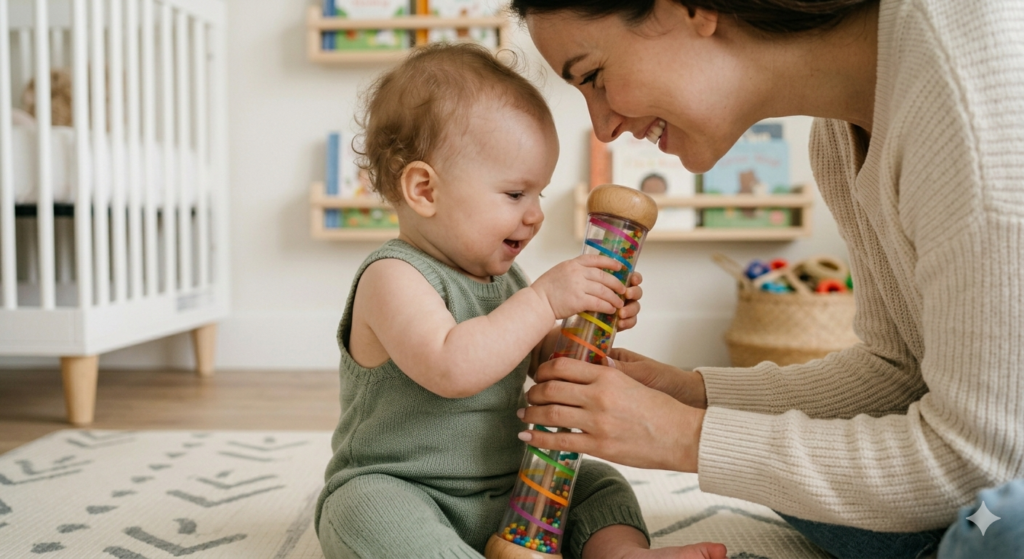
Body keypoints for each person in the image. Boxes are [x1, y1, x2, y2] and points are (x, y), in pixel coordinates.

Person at [509, 1, 1024, 558]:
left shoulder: (969, 102)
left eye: (594, 77)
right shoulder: (837, 136)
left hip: (999, 482)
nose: (604, 127)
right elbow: (898, 371)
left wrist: (686, 437)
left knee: (986, 539)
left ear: (689, 8)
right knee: (783, 469)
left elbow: (981, 462)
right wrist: (692, 395)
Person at [314, 43, 727, 559]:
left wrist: (588, 327)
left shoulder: (506, 282)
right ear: (424, 189)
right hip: (406, 489)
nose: (534, 216)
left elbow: (535, 358)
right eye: (515, 194)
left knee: (597, 480)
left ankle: (623, 555)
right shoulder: (392, 277)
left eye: (540, 195)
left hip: (511, 489)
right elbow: (453, 366)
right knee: (361, 509)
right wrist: (545, 299)